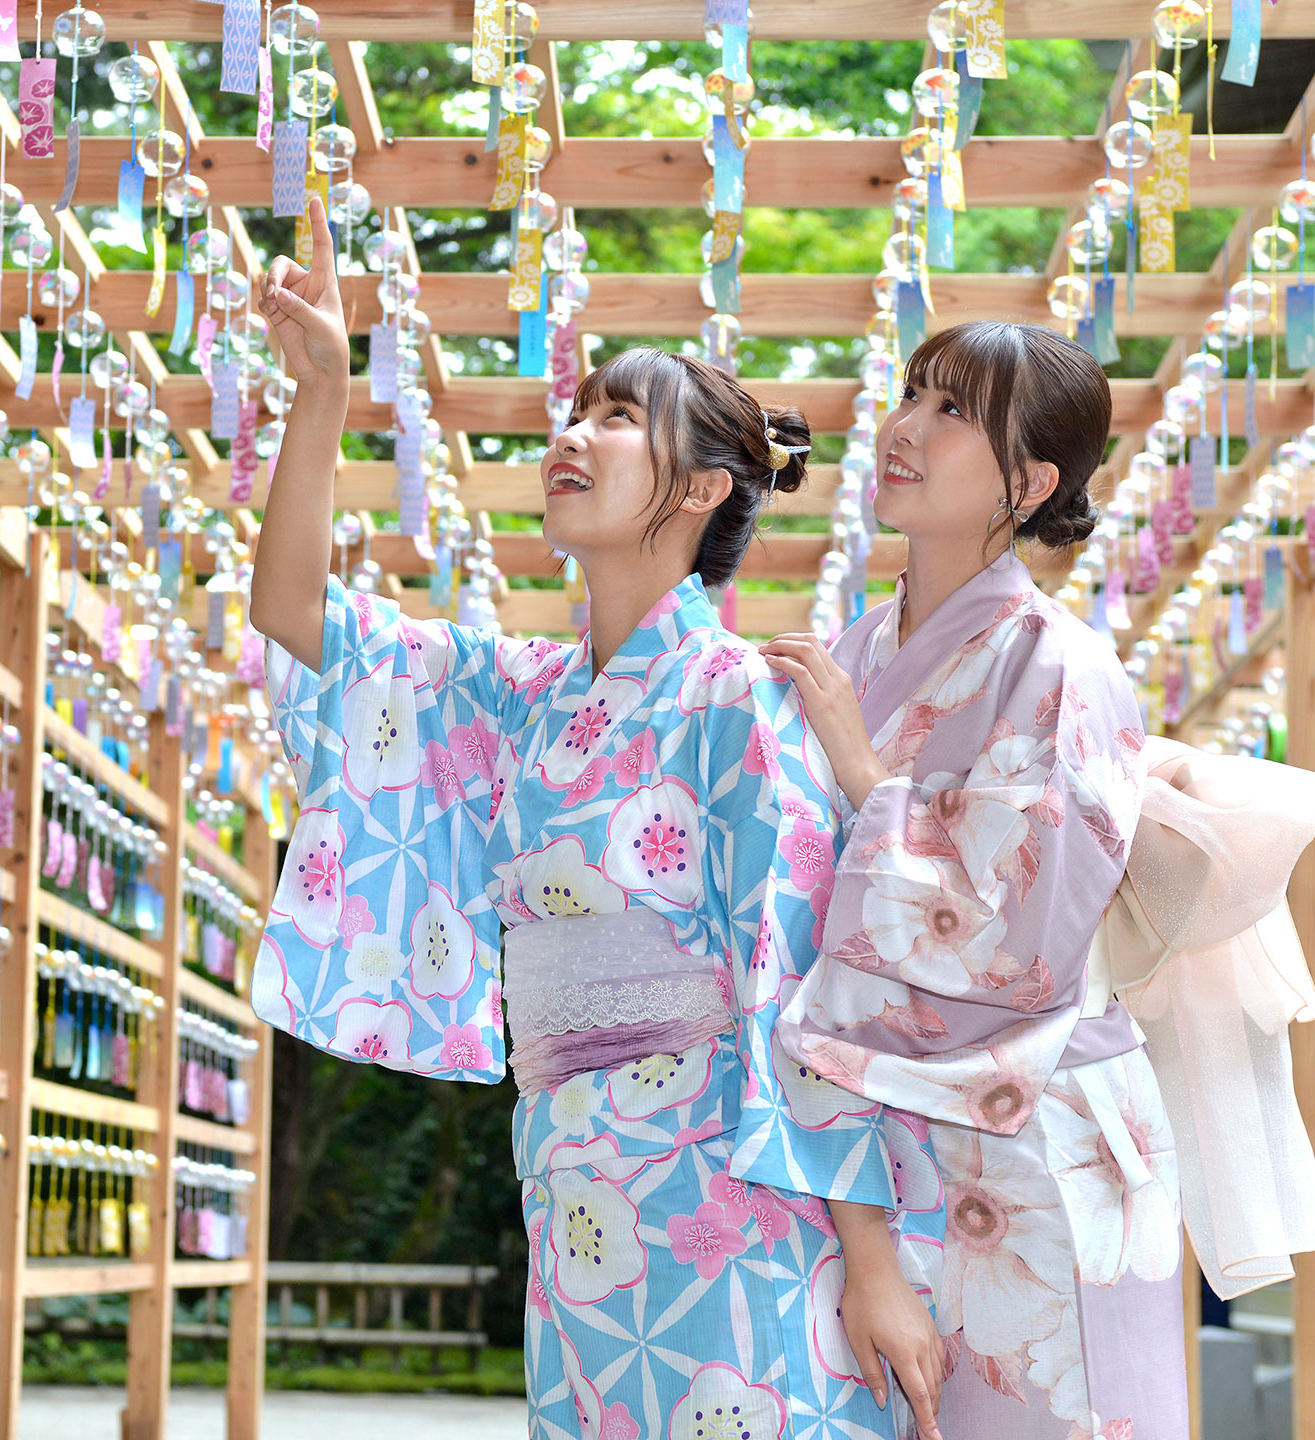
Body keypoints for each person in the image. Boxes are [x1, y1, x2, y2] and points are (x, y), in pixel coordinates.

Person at [249, 196, 948, 1440]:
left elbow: (806, 981)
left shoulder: (739, 694)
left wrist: (876, 1263)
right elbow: (300, 615)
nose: (574, 436)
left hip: (733, 1187)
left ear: (698, 488)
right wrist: (320, 394)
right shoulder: (517, 693)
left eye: (619, 418)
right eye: (577, 413)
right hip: (574, 1176)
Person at [763, 321, 1183, 1438]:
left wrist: (862, 776)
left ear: (1030, 482)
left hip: (1034, 1135)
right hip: (880, 1144)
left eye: (953, 412)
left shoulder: (1064, 666)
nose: (906, 426)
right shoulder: (849, 654)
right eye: (912, 394)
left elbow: (1026, 944)